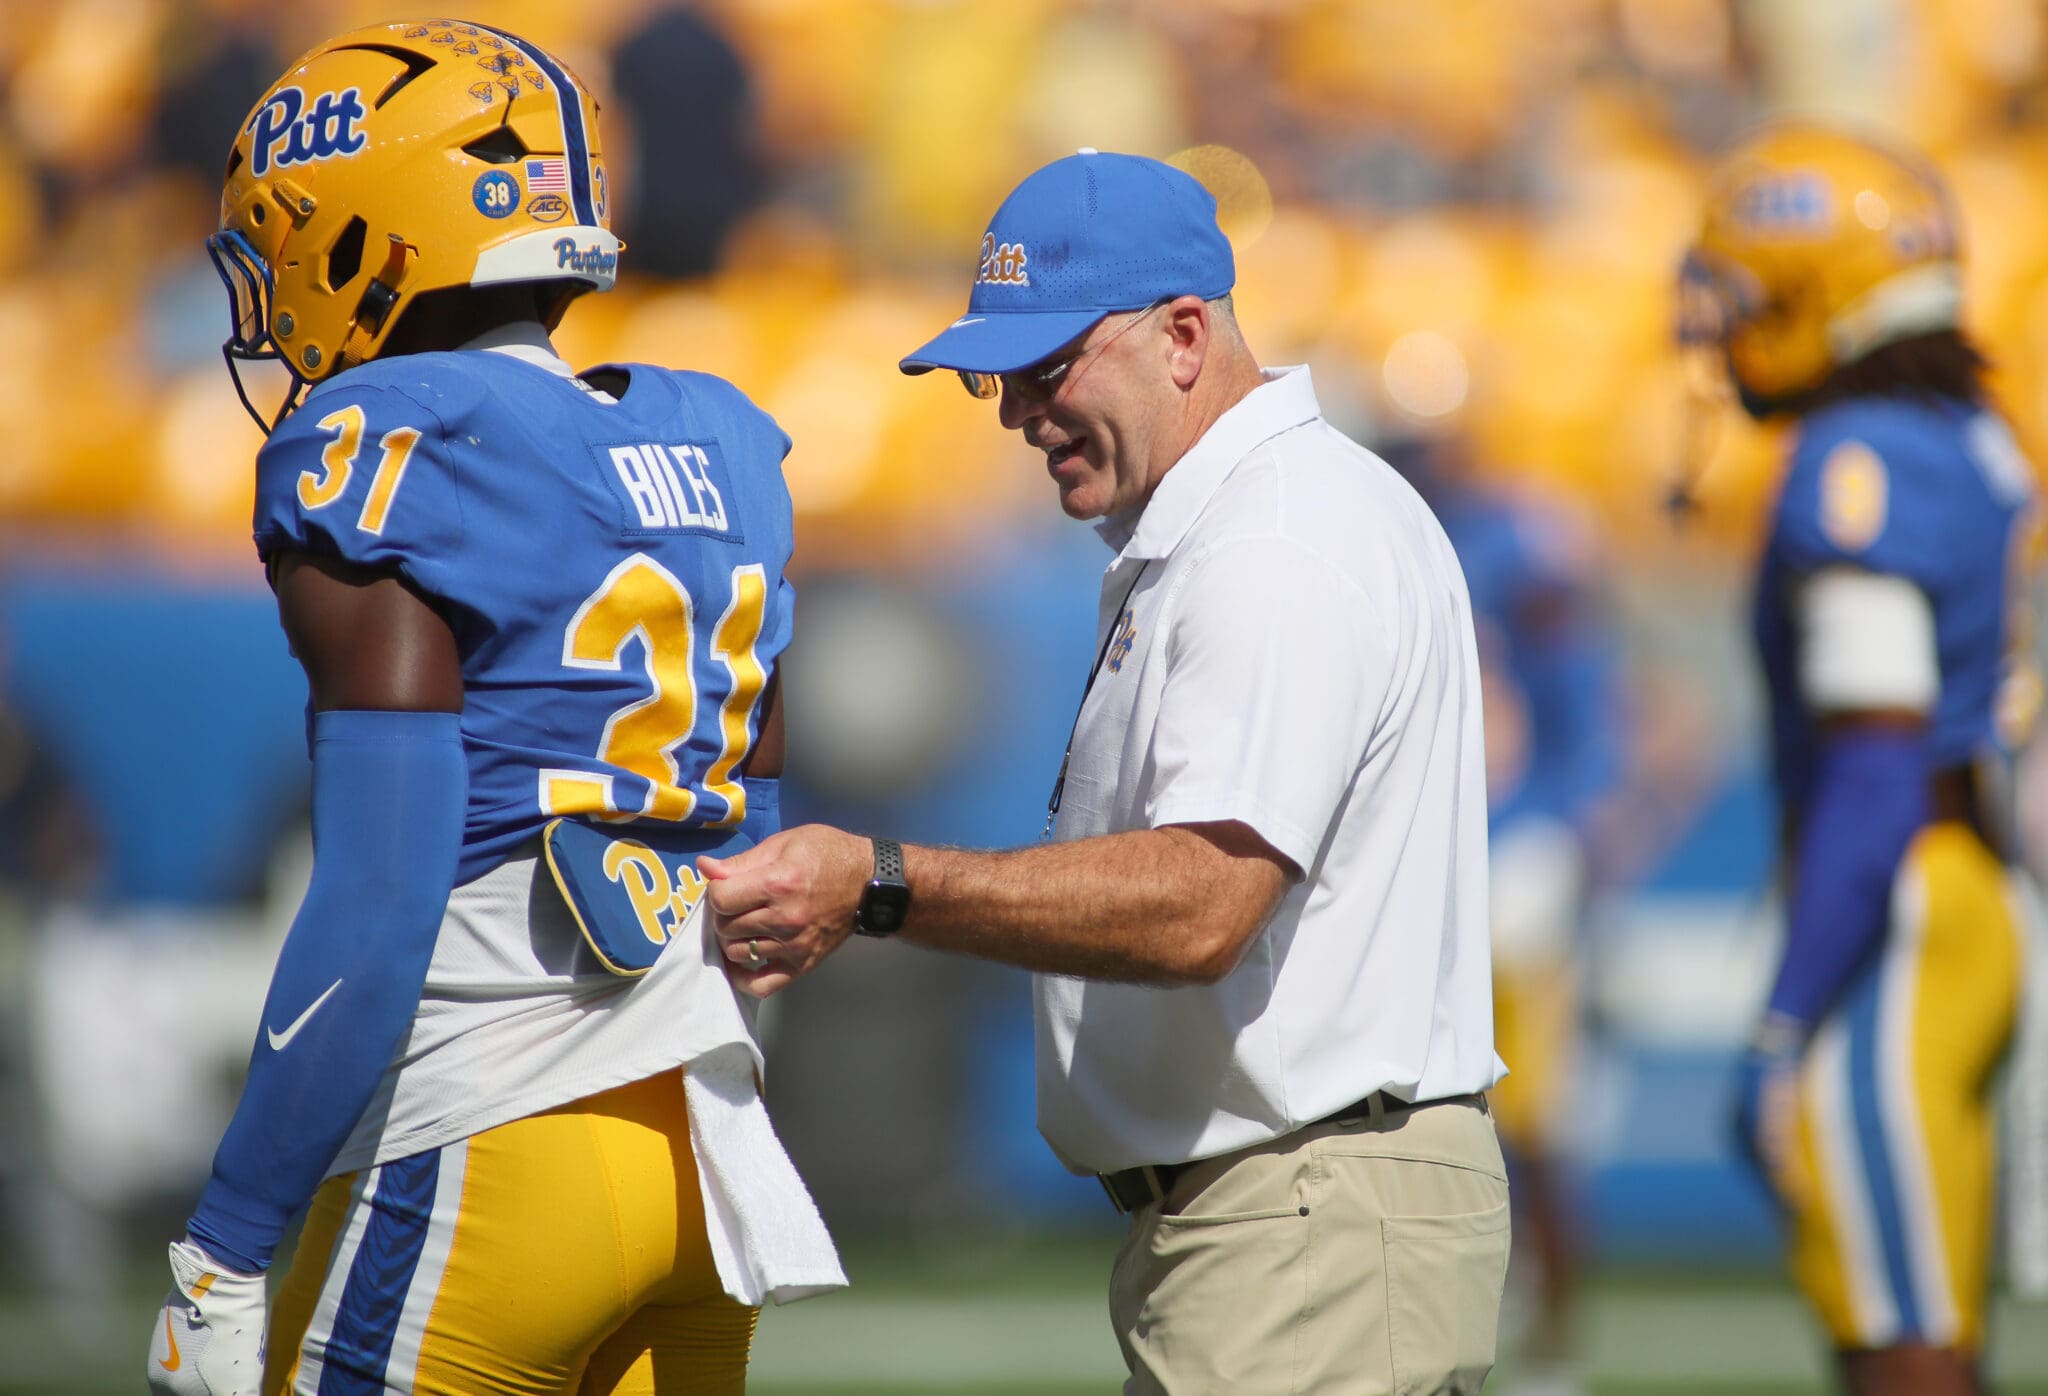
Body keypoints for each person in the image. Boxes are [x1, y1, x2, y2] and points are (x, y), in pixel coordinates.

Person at [700, 150, 1510, 1395]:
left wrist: (879, 882)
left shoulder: (1274, 537)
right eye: (996, 375)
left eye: (1045, 366)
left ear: (1183, 334)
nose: (1015, 410)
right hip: (1294, 1214)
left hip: (1306, 1218)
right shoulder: (1247, 521)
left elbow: (1201, 903)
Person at [147, 20, 841, 1396]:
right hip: (704, 1155)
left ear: (371, 229)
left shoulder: (391, 443)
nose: (275, 283)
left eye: (291, 238)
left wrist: (226, 1242)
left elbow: (384, 893)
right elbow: (752, 861)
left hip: (489, 1137)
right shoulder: (719, 438)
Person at [1681, 122, 2035, 1396]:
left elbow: (1877, 764)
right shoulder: (1963, 433)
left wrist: (1784, 1019)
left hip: (1895, 899)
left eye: (1741, 293)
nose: (1720, 329)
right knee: (1928, 1314)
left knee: (1897, 1342)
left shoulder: (1858, 456)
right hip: (1967, 894)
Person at [1391, 434, 1623, 1396]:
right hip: (1426, 845)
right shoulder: (1384, 527)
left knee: (1534, 1116)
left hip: (1510, 845)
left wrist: (1574, 817)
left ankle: (1555, 1335)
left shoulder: (1517, 542)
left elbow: (1574, 689)